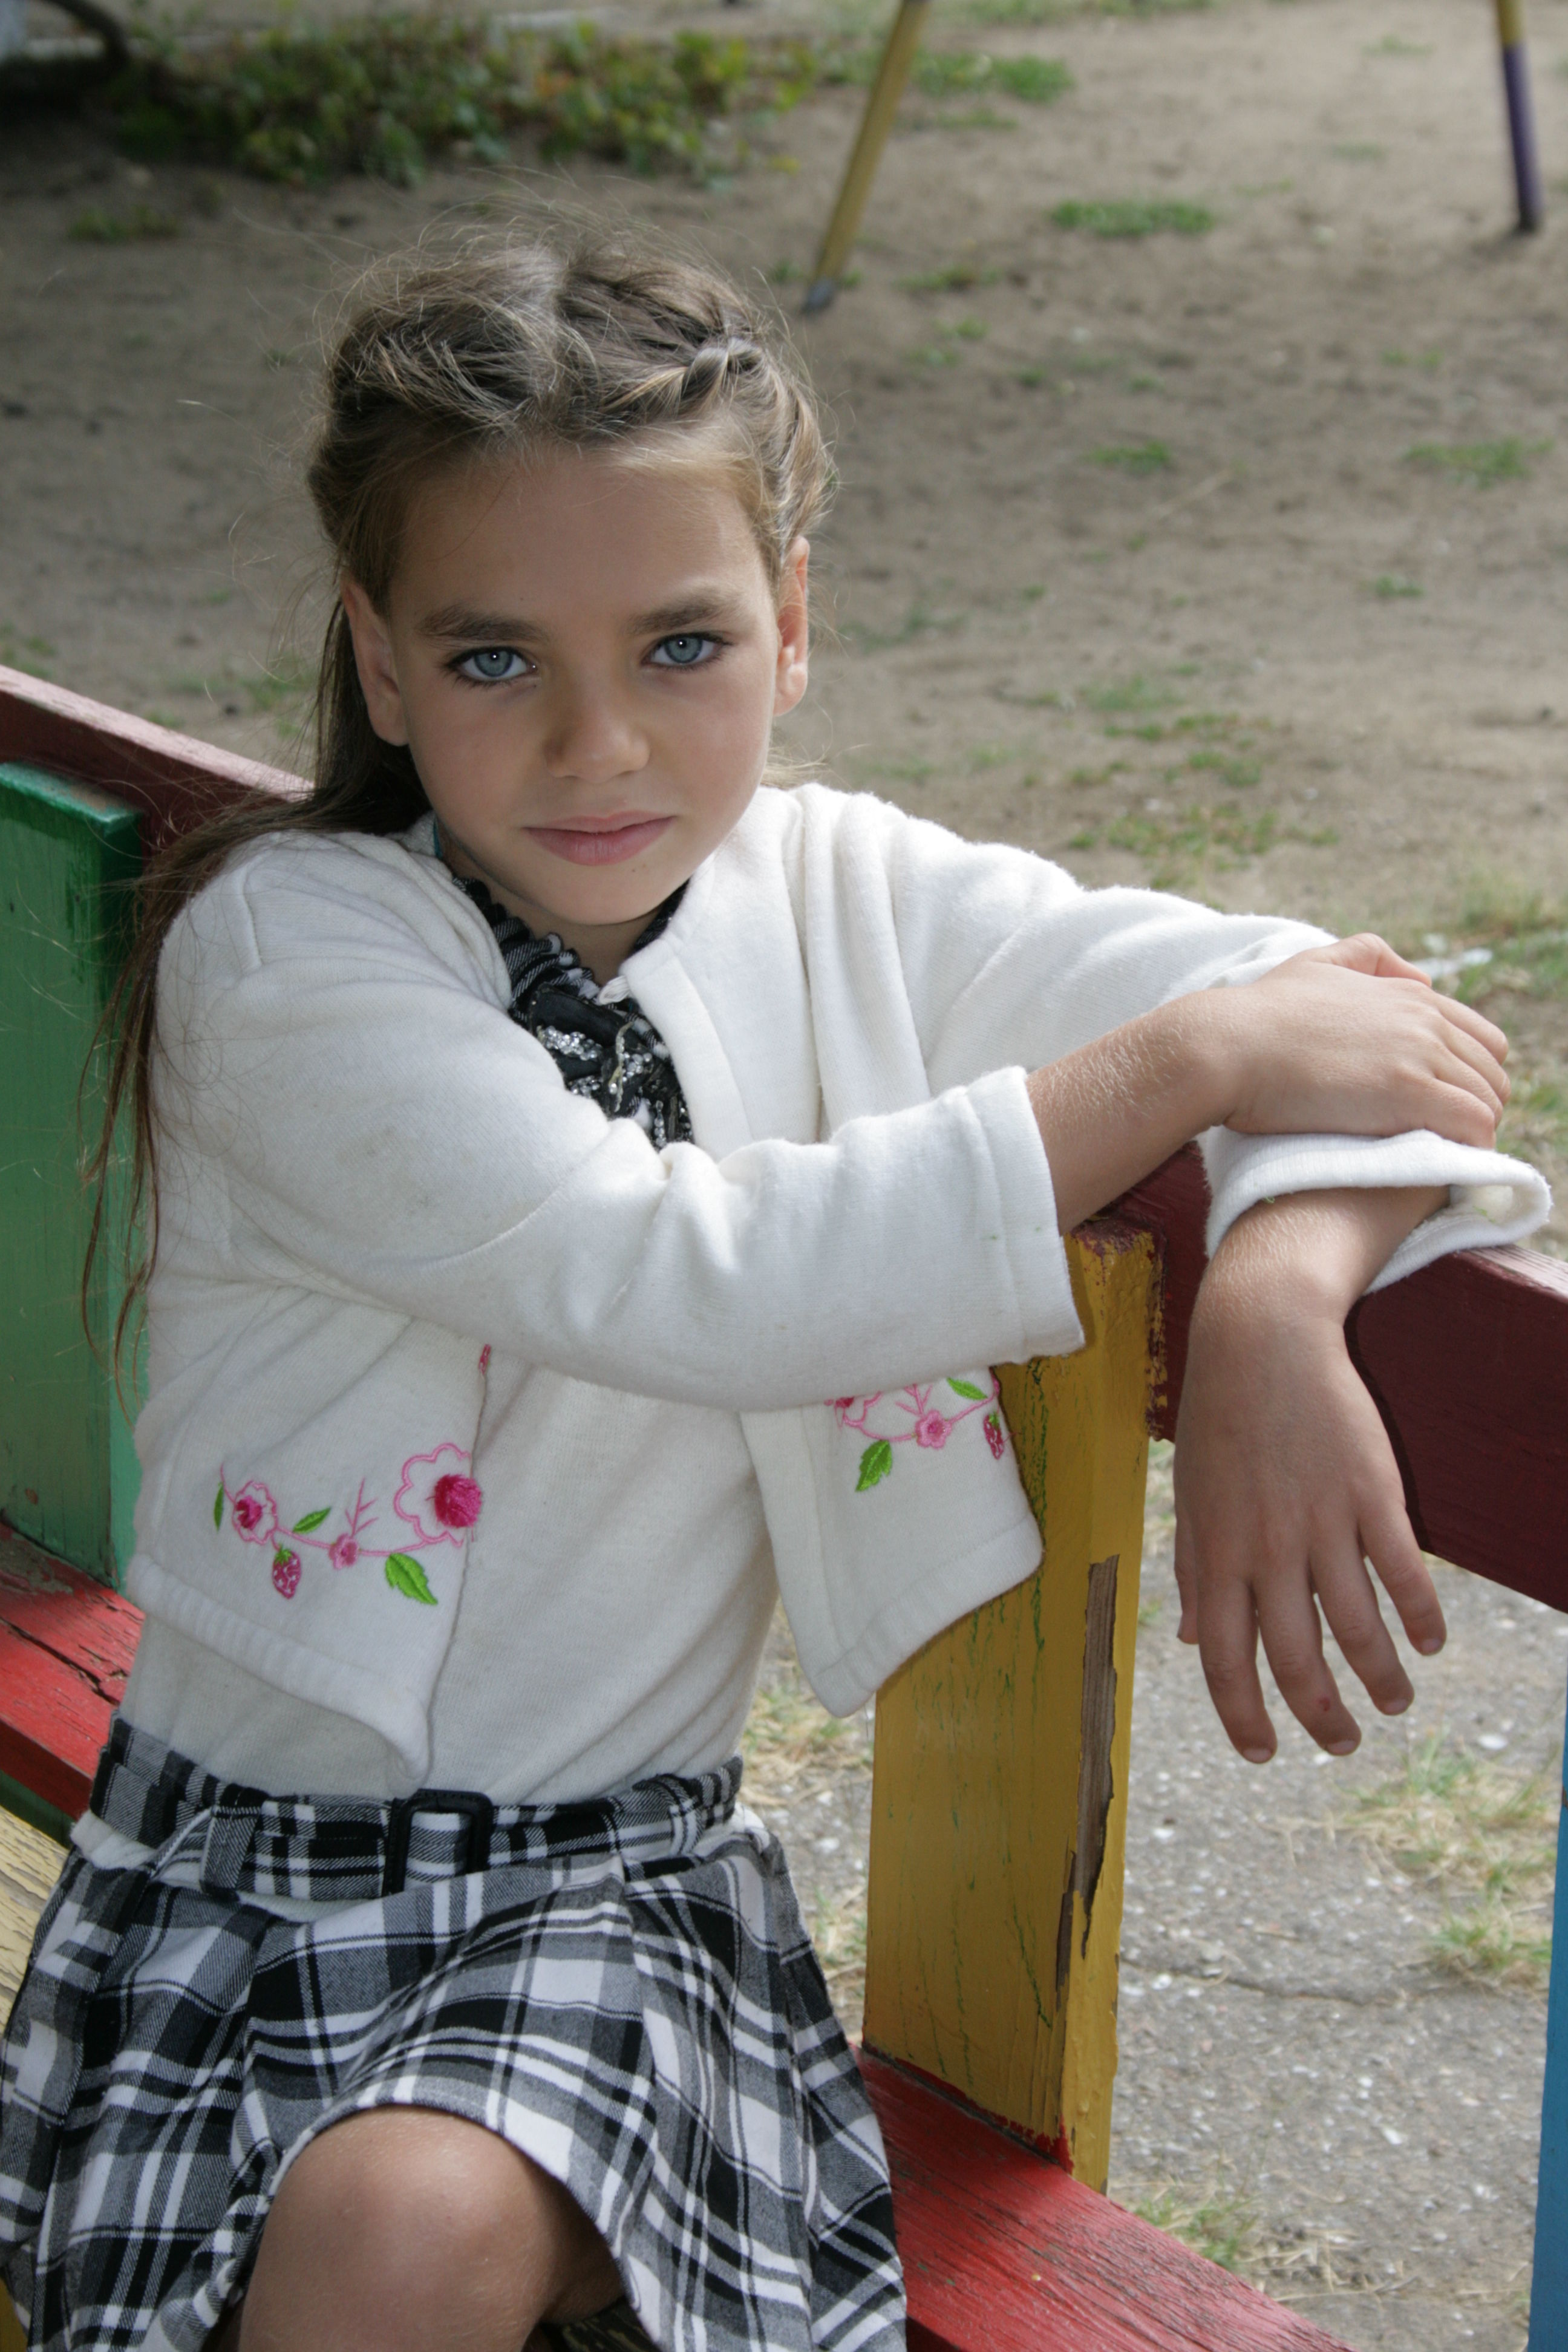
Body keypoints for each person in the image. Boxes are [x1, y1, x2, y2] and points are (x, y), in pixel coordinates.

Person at [0, 232, 1546, 2352]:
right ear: (378, 658)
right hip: (237, 1899)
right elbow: (677, 1273)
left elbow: (1338, 1005)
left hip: (597, 1908)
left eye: (683, 644)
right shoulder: (291, 958)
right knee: (374, 2235)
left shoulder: (838, 895)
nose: (598, 742)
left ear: (792, 624)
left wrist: (1277, 1293)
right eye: (493, 658)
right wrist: (1183, 1069)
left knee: (397, 2230)